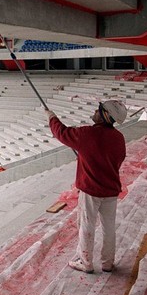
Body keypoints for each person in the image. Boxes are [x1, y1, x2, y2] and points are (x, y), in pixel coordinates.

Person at [45, 100, 127, 274]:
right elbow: (117, 160)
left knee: (86, 225)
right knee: (109, 227)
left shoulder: (87, 134)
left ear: (105, 115)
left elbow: (61, 133)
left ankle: (85, 262)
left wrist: (51, 117)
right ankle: (107, 263)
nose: (95, 112)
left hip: (91, 190)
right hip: (111, 190)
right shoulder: (118, 138)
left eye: (98, 110)